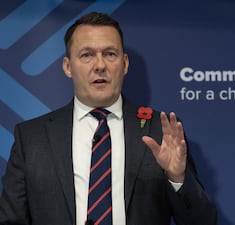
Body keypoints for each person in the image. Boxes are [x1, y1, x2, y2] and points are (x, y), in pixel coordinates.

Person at [0, 12, 217, 225]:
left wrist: (177, 179)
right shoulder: (31, 138)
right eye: (87, 55)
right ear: (67, 66)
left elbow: (202, 221)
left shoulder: (160, 131)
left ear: (124, 64)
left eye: (110, 54)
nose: (100, 65)